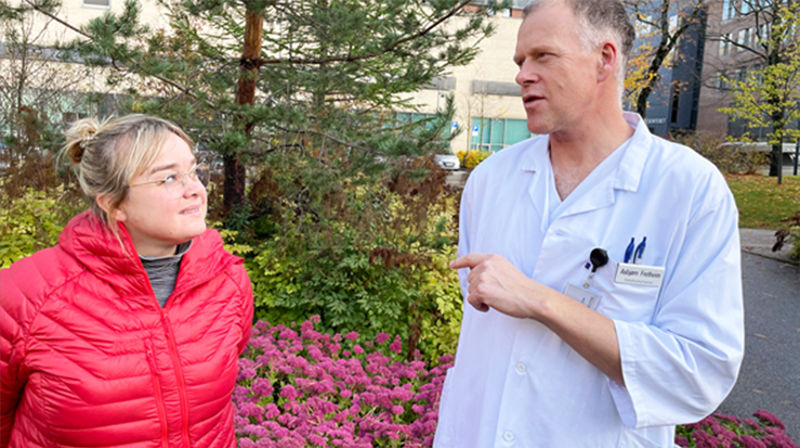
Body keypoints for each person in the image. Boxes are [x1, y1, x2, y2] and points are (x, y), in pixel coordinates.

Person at [433, 1, 744, 446]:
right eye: (521, 61)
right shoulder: (490, 181)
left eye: (543, 55)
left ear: (605, 59)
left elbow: (698, 372)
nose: (523, 74)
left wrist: (541, 300)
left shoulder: (688, 190)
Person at [1, 115, 254, 447]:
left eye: (193, 171)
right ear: (113, 203)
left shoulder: (227, 280)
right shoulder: (25, 297)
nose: (195, 189)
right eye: (168, 178)